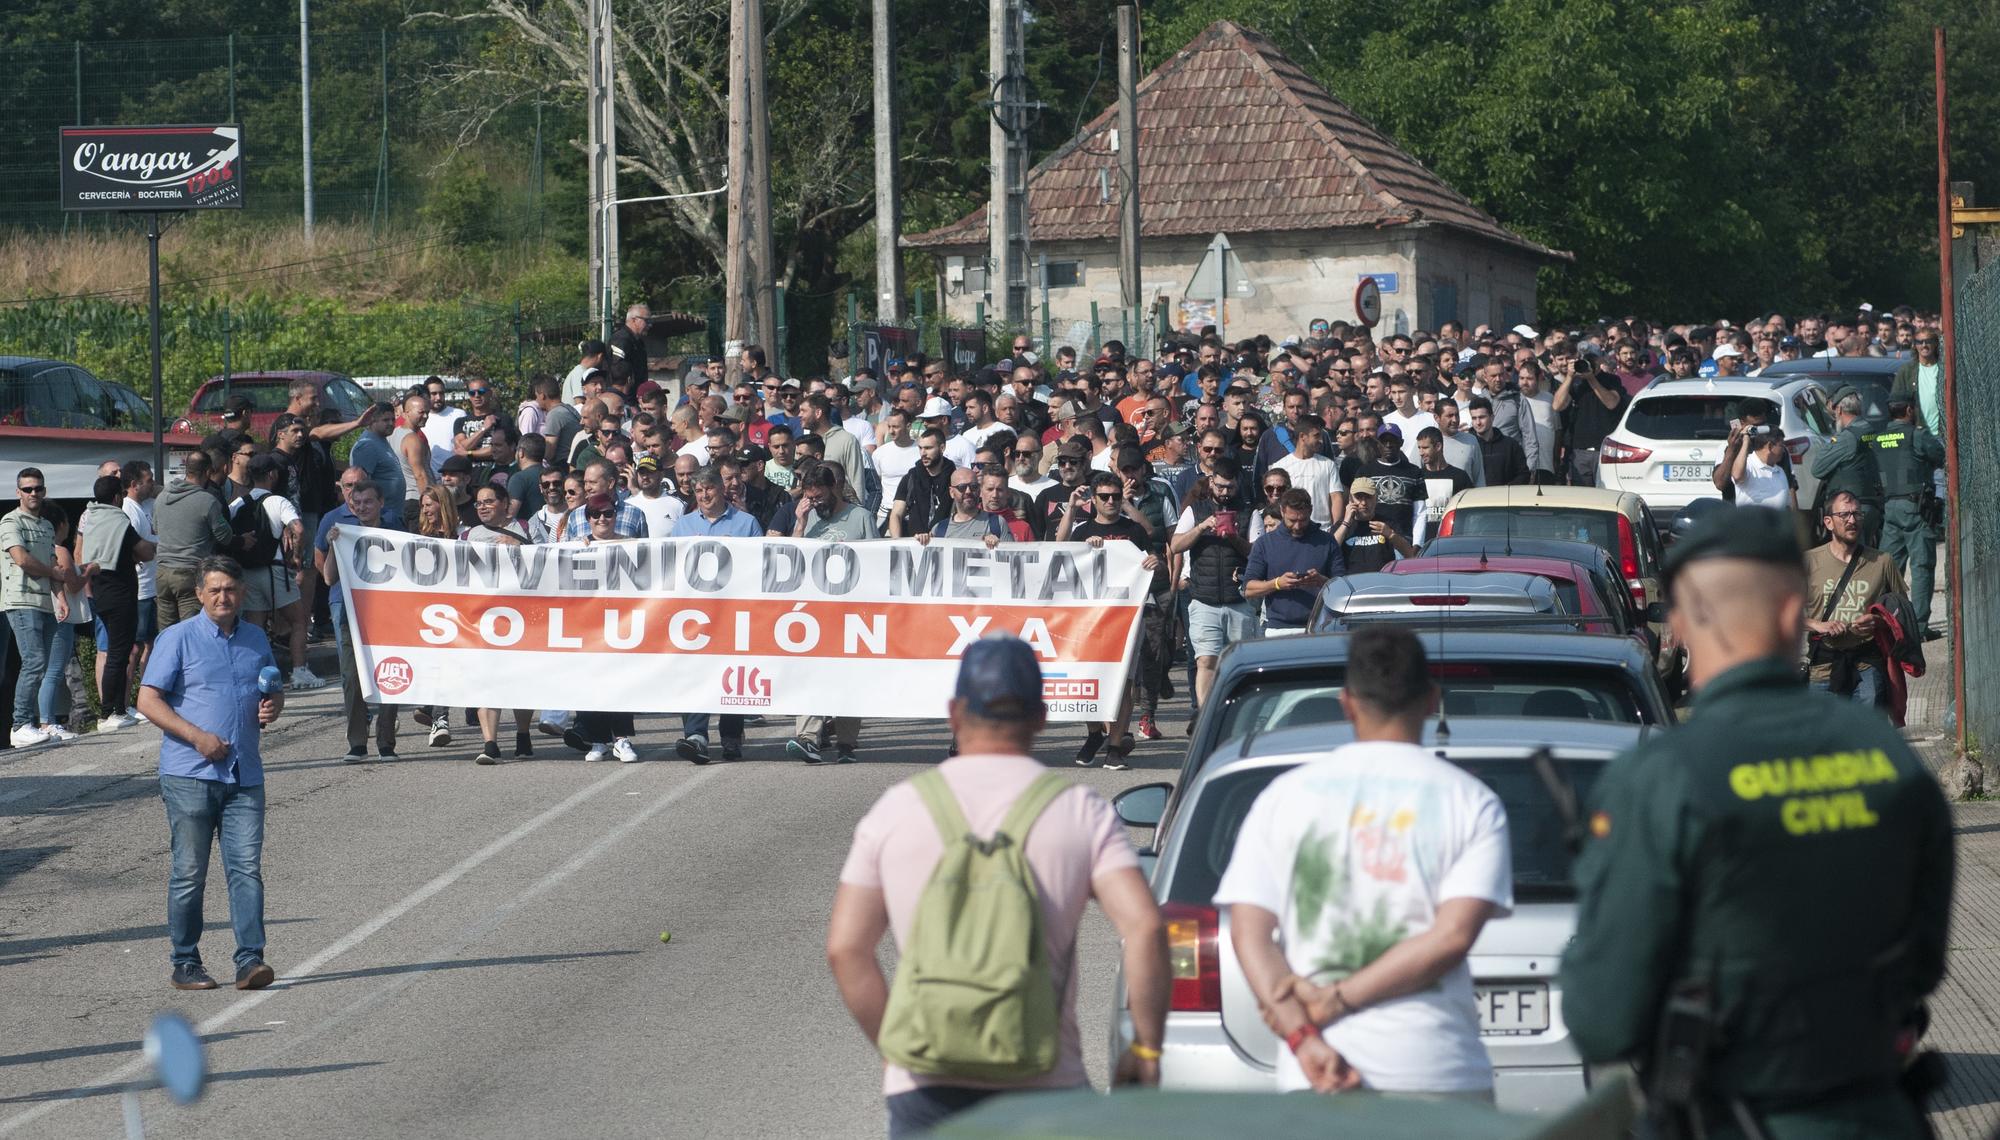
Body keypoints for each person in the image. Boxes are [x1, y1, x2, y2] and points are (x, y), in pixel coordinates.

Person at [1561, 505, 1951, 1138]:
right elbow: (1925, 964)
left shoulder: (1658, 781)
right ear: (1795, 613)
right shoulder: (1888, 758)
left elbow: (1603, 1019)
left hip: (1730, 1118)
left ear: (1679, 623)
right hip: (1876, 1114)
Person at [826, 635, 1168, 1139]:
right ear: (1041, 717)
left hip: (925, 1090)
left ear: (954, 714)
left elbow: (846, 949)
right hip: (1047, 1083)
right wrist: (1145, 1047)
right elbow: (1144, 928)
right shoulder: (1078, 811)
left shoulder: (897, 809)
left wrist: (897, 1049)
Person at [1216, 624, 1511, 1098]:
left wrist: (1304, 1036)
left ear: (1347, 703)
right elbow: (1452, 937)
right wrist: (1334, 1002)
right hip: (1438, 1071)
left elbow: (1249, 935)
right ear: (1432, 700)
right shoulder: (1471, 800)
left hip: (1316, 1074)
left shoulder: (1283, 797)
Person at [136, 556, 286, 992]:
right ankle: (185, 962)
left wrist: (273, 707)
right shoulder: (177, 638)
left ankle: (250, 961)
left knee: (246, 870)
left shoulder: (255, 637)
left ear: (242, 593)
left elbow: (272, 691)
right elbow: (147, 700)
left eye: (231, 589)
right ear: (199, 593)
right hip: (190, 775)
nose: (224, 597)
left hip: (244, 774)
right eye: (215, 589)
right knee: (189, 874)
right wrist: (197, 736)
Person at [1057, 472, 1160, 768]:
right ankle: (1094, 732)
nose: (1111, 501)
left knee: (1124, 682)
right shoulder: (1083, 531)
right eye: (1104, 497)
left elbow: (1155, 557)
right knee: (1087, 677)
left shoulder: (1133, 530)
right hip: (1090, 617)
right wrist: (1078, 528)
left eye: (1116, 496)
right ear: (1094, 499)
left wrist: (1155, 562)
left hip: (1127, 616)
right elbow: (1059, 549)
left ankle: (1115, 746)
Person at [319, 478, 403, 764]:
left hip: (389, 616)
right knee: (351, 678)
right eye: (357, 502)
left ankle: (386, 742)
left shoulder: (395, 533)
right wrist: (334, 545)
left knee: (390, 675)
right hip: (352, 616)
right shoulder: (343, 532)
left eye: (368, 501)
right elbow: (328, 578)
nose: (363, 507)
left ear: (381, 503)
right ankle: (357, 742)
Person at [1170, 457, 1256, 726]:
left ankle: (1237, 718)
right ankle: (1207, 718)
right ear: (1211, 482)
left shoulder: (1249, 512)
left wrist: (1234, 537)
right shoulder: (1195, 510)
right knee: (1205, 660)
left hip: (1239, 601)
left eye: (1230, 487)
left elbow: (1256, 553)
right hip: (1203, 600)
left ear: (1237, 484)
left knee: (1240, 663)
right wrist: (1201, 527)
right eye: (1220, 486)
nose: (1224, 492)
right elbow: (1175, 546)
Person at [1803, 490, 1905, 708]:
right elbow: (1779, 613)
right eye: (1844, 515)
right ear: (1828, 522)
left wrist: (1879, 621)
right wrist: (1817, 625)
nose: (1852, 520)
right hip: (1823, 666)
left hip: (1866, 663)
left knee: (1866, 726)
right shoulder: (1809, 561)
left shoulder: (1882, 561)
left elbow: (1903, 611)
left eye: (1857, 514)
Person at [3, 468, 76, 747]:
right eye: (28, 489)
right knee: (33, 661)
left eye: (38, 488)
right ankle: (20, 724)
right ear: (18, 492)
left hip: (44, 602)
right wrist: (53, 574)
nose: (33, 493)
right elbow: (21, 559)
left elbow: (53, 566)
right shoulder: (11, 521)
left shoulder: (46, 525)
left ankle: (34, 724)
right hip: (20, 599)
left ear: (44, 491)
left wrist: (60, 597)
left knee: (42, 664)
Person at [80, 474, 155, 732]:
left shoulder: (91, 516)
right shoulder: (118, 519)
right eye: (121, 494)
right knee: (118, 654)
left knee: (117, 652)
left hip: (101, 592)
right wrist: (152, 546)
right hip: (120, 593)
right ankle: (109, 712)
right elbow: (144, 550)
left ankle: (117, 710)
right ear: (116, 497)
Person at [1873, 397, 1944, 637]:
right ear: (1909, 410)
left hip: (1889, 507)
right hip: (1915, 508)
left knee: (1889, 568)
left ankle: (1887, 624)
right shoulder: (1916, 436)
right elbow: (1940, 455)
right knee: (1922, 566)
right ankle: (1919, 627)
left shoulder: (1879, 439)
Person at [152, 452, 236, 628]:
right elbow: (225, 537)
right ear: (208, 472)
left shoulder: (162, 497)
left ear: (186, 469)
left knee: (167, 632)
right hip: (190, 572)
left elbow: (156, 529)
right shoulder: (208, 501)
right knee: (192, 630)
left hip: (162, 572)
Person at [1244, 488, 1342, 637]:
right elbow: (1248, 589)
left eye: (1303, 520)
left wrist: (1322, 582)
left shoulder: (1327, 541)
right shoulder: (1265, 543)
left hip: (1321, 627)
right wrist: (1277, 584)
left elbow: (1342, 587)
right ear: (1282, 511)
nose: (1297, 526)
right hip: (1279, 629)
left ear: (1310, 511)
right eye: (1292, 520)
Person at [1810, 386, 1885, 547]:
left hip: (1851, 508)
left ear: (1839, 410)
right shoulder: (1869, 429)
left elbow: (1817, 468)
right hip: (1871, 503)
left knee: (1851, 555)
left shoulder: (1847, 438)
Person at [1270, 419, 1343, 527]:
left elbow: (1336, 497)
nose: (1321, 440)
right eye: (1316, 436)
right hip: (1291, 529)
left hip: (1322, 529)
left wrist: (1336, 529)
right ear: (1302, 436)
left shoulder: (1328, 465)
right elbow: (1275, 500)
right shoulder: (1280, 466)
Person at [607, 305, 652, 399]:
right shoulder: (621, 339)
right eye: (646, 321)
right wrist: (626, 400)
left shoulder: (638, 342)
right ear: (634, 320)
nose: (650, 325)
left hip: (635, 397)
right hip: (623, 397)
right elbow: (618, 372)